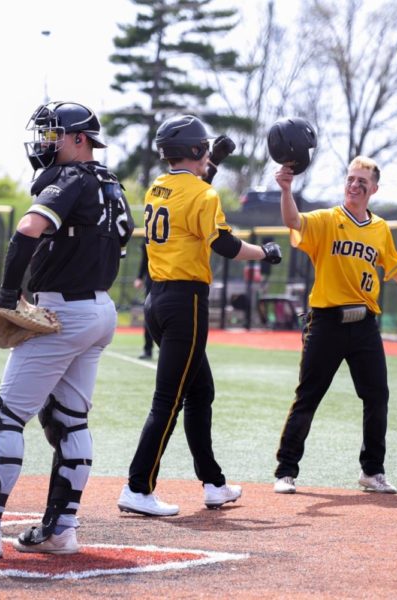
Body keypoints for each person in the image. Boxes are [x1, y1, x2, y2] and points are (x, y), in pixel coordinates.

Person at [0, 101, 133, 558]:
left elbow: (28, 229)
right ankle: (62, 530)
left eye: (53, 134)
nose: (45, 142)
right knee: (67, 419)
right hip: (100, 311)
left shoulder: (72, 178)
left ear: (80, 139)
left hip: (63, 314)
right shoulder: (112, 185)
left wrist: (5, 295)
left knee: (1, 419)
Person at [117, 114, 282, 516]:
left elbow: (189, 197)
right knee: (168, 401)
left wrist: (212, 166)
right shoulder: (204, 196)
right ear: (195, 151)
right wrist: (265, 253)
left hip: (158, 300)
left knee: (200, 392)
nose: (208, 151)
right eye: (204, 147)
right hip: (186, 303)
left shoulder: (158, 186)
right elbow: (223, 244)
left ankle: (213, 483)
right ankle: (137, 487)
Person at [272, 155, 397, 495]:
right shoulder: (326, 219)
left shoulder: (379, 228)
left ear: (373, 190)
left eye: (362, 182)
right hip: (326, 322)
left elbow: (394, 267)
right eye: (351, 179)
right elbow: (293, 220)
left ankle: (372, 472)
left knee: (377, 395)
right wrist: (286, 189)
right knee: (309, 395)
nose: (354, 185)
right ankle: (286, 471)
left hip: (365, 325)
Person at [133, 240, 154, 359]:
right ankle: (148, 348)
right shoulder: (150, 232)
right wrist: (140, 277)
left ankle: (166, 348)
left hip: (170, 279)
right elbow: (145, 258)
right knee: (150, 314)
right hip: (153, 280)